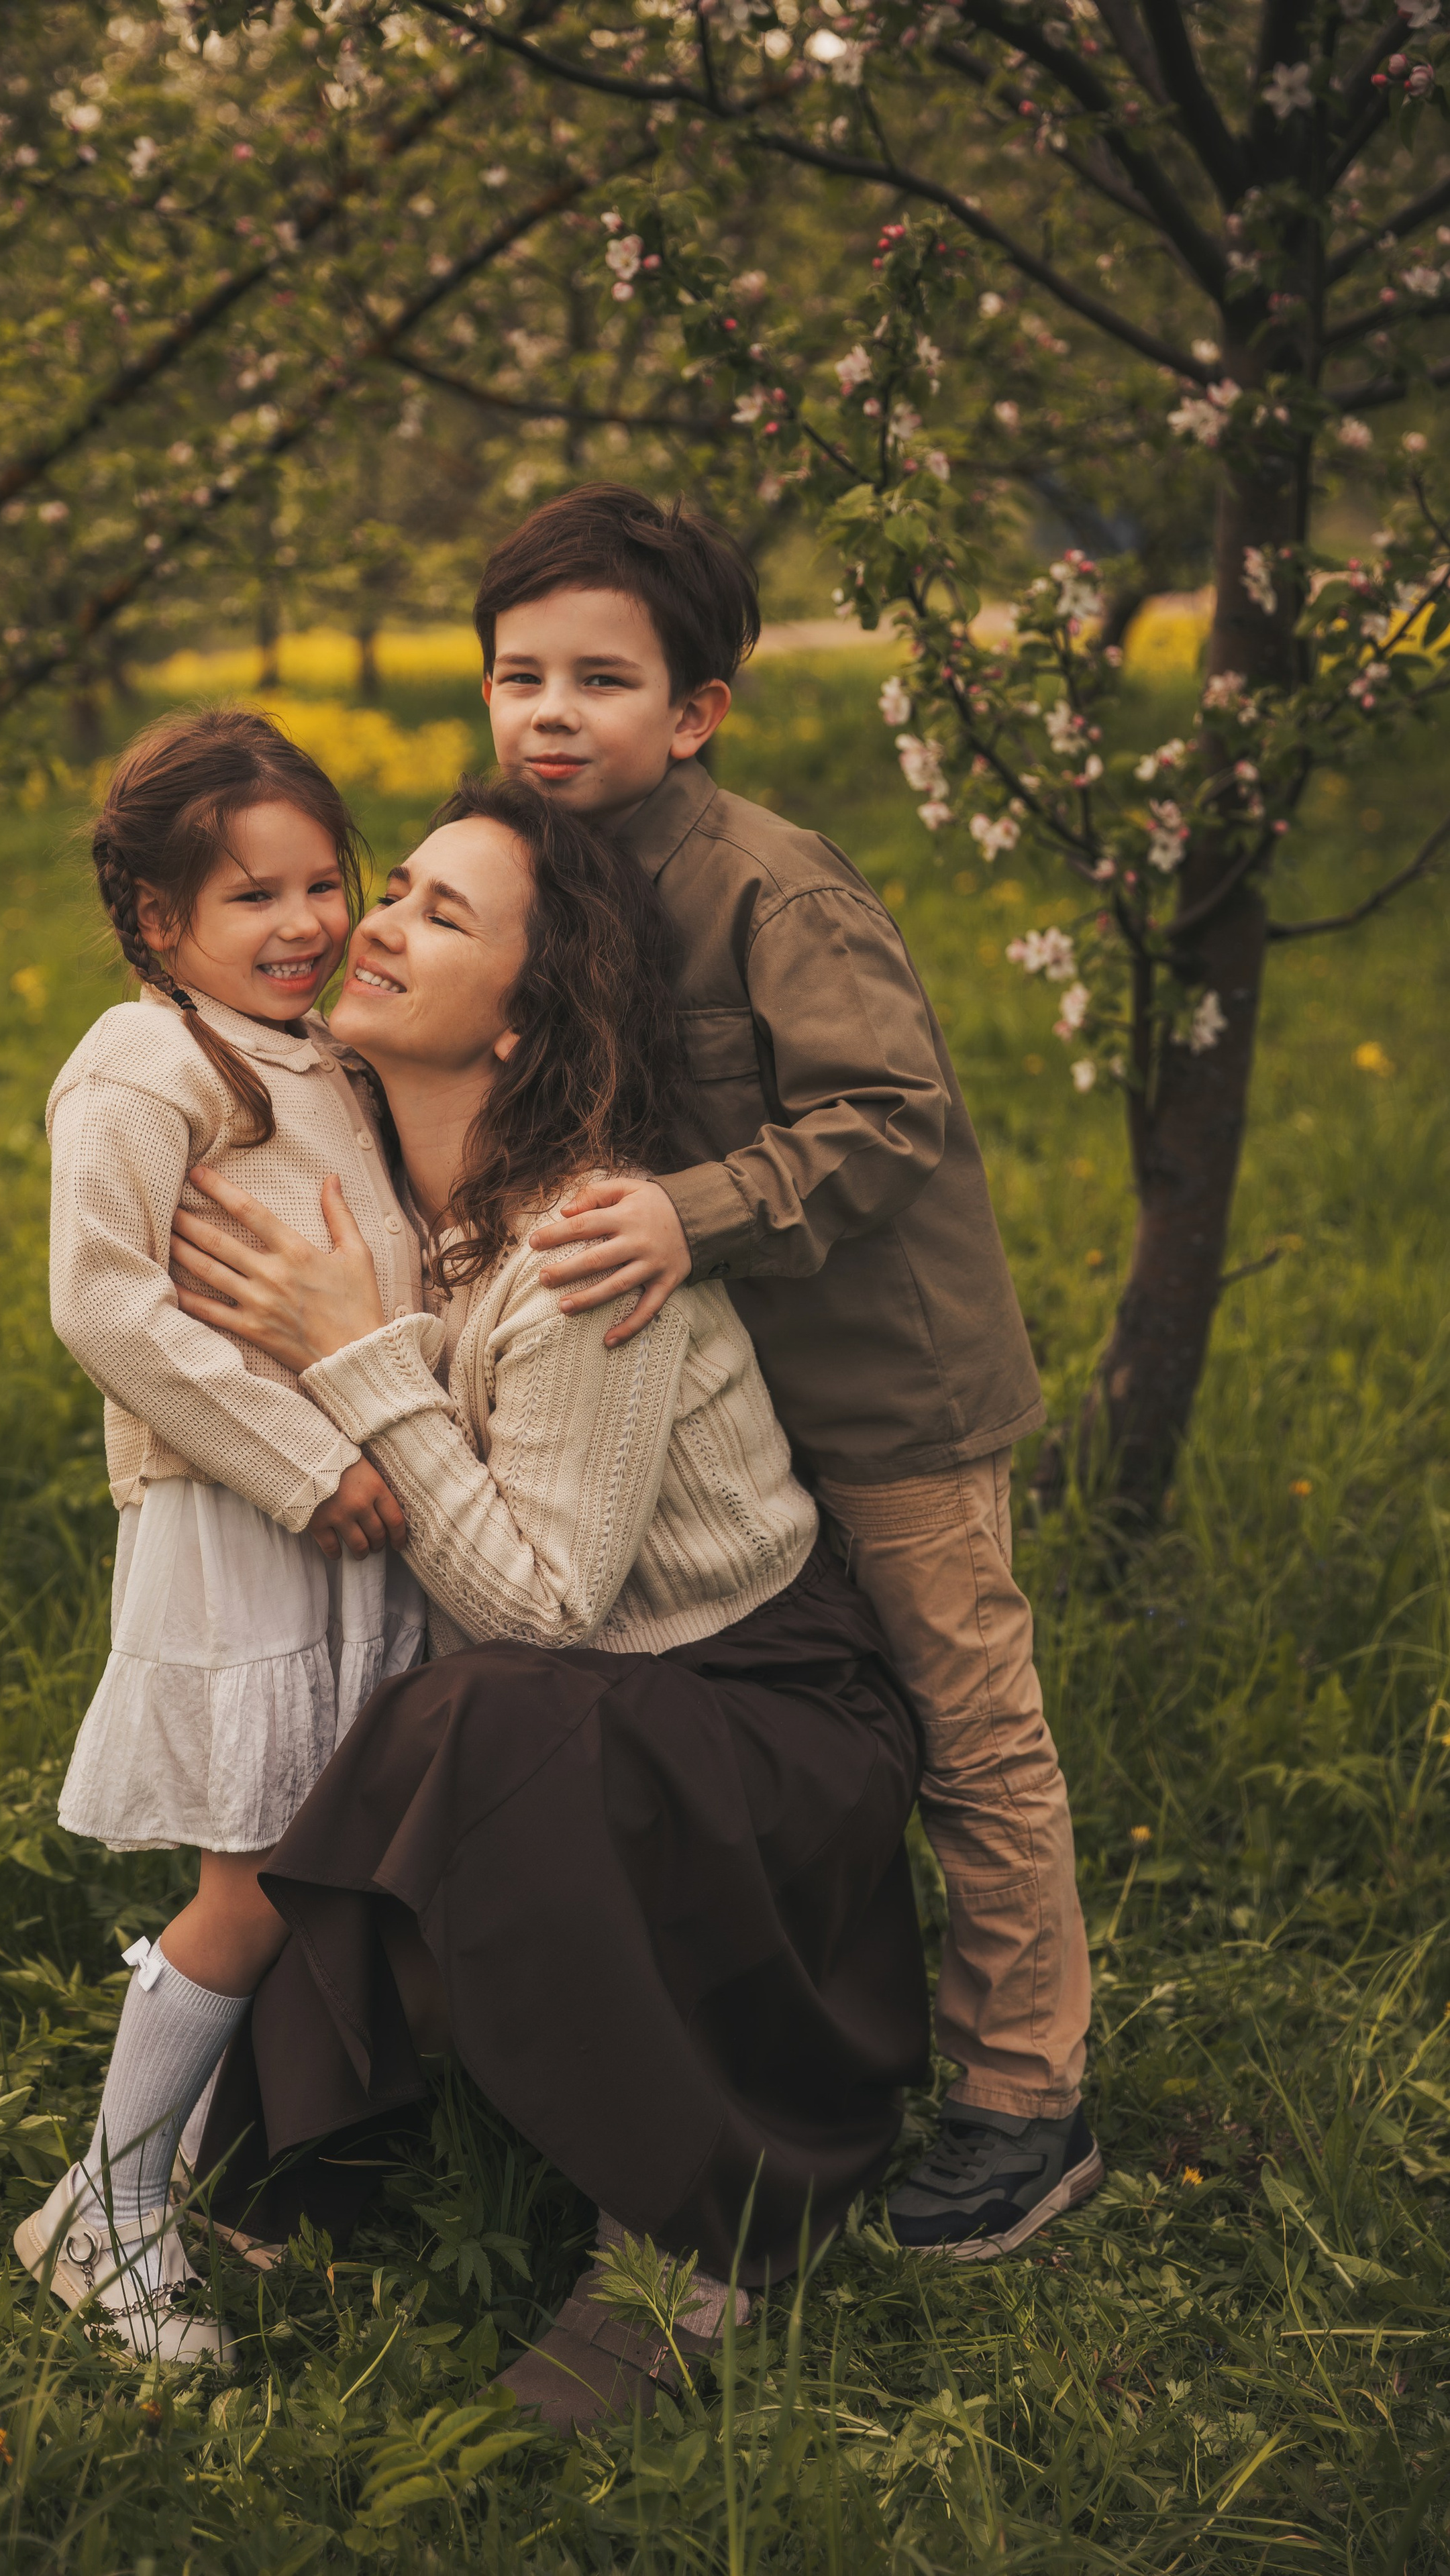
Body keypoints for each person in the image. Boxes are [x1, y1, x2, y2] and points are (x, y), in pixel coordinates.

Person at [167, 774, 929, 2428]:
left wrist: (356, 1359)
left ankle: (690, 2232)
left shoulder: (580, 1247)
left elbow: (542, 1608)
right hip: (612, 1708)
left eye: (442, 915)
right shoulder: (393, 1203)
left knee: (482, 1710)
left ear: (523, 1021)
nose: (376, 924)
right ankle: (296, 2166)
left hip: (767, 1727)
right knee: (432, 1713)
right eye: (396, 889)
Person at [473, 484, 1100, 2260]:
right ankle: (819, 2045)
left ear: (695, 712)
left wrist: (691, 1212)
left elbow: (890, 1115)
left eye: (600, 681)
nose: (548, 716)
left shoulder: (767, 881)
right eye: (519, 677)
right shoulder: (539, 869)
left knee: (967, 1729)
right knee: (817, 1735)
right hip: (719, 1420)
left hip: (883, 1395)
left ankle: (1026, 2096)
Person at [13, 708, 426, 2361]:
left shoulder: (320, 1055)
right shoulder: (143, 1064)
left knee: (303, 1857)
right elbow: (104, 1303)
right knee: (250, 1875)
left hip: (349, 1507)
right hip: (243, 1515)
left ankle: (171, 2173)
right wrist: (303, 1465)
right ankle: (106, 2212)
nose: (305, 922)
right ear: (155, 919)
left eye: (323, 882)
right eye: (253, 896)